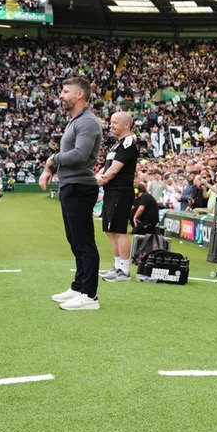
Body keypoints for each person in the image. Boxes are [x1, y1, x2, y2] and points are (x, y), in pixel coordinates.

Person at [40, 77, 104, 311]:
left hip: (80, 187)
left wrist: (53, 159)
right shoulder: (74, 121)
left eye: (66, 91)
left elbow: (79, 154)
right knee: (75, 240)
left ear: (79, 95)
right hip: (70, 185)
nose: (61, 95)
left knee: (84, 242)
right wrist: (50, 169)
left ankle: (90, 295)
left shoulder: (88, 122)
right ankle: (79, 287)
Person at [95, 110, 138, 283]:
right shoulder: (116, 145)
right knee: (110, 231)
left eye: (115, 122)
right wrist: (99, 177)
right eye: (111, 122)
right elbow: (107, 168)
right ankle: (117, 266)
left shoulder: (128, 143)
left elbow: (114, 170)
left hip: (120, 191)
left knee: (119, 231)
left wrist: (100, 180)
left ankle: (124, 271)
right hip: (111, 192)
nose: (111, 125)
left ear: (126, 124)